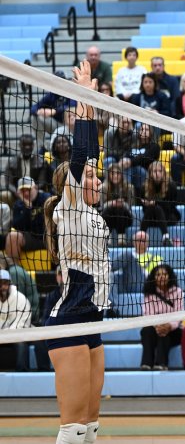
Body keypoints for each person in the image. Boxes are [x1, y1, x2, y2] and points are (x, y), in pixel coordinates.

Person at [41, 60, 109, 444]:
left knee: (92, 423)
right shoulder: (68, 207)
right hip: (68, 317)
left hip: (93, 316)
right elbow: (85, 148)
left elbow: (92, 152)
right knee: (73, 426)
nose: (96, 179)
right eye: (90, 176)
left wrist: (93, 104)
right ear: (70, 184)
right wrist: (83, 93)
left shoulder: (91, 214)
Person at [140, 264, 183, 371]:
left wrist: (169, 325)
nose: (162, 277)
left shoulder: (178, 292)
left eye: (164, 274)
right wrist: (159, 326)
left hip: (174, 330)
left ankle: (161, 364)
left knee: (165, 334)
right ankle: (146, 364)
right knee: (146, 331)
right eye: (158, 274)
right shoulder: (149, 294)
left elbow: (179, 315)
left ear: (170, 276)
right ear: (154, 278)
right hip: (155, 328)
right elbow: (148, 315)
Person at [110, 230, 162, 308]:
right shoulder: (126, 256)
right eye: (138, 240)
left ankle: (104, 267)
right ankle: (112, 309)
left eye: (143, 240)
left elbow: (158, 279)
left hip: (142, 285)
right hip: (125, 283)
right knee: (109, 275)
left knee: (127, 255)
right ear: (134, 242)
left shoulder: (156, 258)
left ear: (148, 242)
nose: (140, 242)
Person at [5, 177, 49, 265]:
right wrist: (27, 208)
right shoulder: (18, 205)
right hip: (32, 239)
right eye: (22, 191)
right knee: (13, 236)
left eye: (28, 189)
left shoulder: (46, 199)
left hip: (48, 237)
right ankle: (15, 270)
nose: (26, 193)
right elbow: (17, 226)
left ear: (35, 188)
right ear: (18, 193)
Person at [30, 75, 77, 151]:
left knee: (73, 116)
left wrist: (54, 111)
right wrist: (38, 111)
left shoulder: (70, 92)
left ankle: (74, 147)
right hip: (55, 124)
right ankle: (42, 147)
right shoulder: (51, 95)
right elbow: (33, 107)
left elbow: (72, 106)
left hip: (70, 125)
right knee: (34, 117)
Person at [140, 161, 180, 247]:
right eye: (154, 171)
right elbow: (144, 211)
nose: (157, 174)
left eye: (160, 171)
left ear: (163, 172)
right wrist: (147, 204)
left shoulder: (171, 186)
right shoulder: (144, 187)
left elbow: (171, 207)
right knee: (153, 208)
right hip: (152, 218)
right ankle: (165, 237)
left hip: (168, 217)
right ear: (150, 173)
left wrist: (155, 202)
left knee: (156, 207)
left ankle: (140, 237)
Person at [0, 268, 32, 371]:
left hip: (17, 335)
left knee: (21, 345)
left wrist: (6, 334)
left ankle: (21, 373)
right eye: (0, 283)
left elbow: (22, 324)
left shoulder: (21, 299)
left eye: (5, 283)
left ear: (10, 284)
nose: (3, 287)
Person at [99, 164, 135, 247]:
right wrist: (113, 203)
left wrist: (122, 204)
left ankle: (120, 238)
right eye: (113, 173)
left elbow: (130, 206)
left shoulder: (129, 187)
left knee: (119, 209)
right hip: (109, 216)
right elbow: (102, 206)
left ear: (121, 174)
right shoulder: (103, 188)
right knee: (110, 209)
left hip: (125, 217)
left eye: (118, 173)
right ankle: (112, 237)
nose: (115, 176)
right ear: (109, 175)